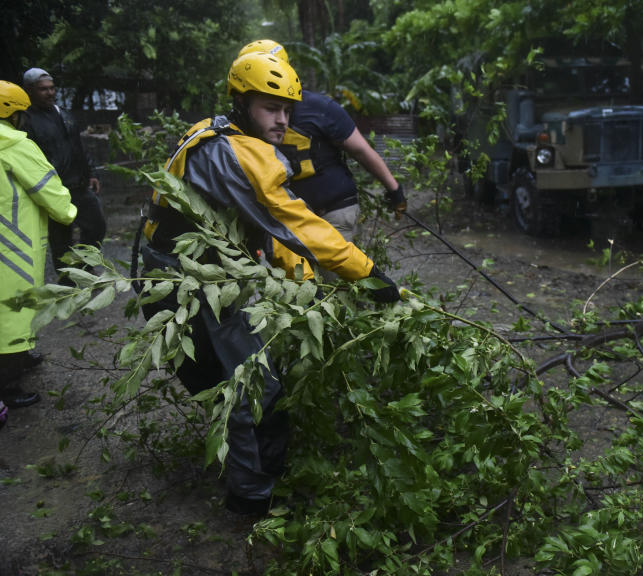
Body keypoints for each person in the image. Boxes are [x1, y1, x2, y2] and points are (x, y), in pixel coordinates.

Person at [140, 51, 401, 516]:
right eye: (270, 108)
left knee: (229, 378)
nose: (282, 120)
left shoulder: (214, 131)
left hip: (176, 270)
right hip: (192, 282)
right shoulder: (240, 154)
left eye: (287, 109)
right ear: (242, 104)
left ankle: (244, 459)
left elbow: (272, 232)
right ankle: (252, 498)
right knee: (255, 384)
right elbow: (296, 224)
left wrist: (307, 286)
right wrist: (368, 275)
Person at [237, 40, 407, 247]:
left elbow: (361, 150)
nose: (280, 117)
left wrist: (394, 190)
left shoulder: (320, 108)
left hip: (334, 210)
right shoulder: (244, 123)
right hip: (292, 217)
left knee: (333, 274)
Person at [0, 81, 78, 411]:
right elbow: (51, 191)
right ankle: (8, 386)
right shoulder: (15, 145)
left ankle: (17, 362)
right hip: (13, 245)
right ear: (13, 114)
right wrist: (70, 213)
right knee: (13, 310)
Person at [20, 67, 106, 275]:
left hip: (79, 184)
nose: (50, 93)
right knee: (61, 239)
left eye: (52, 88)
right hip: (53, 189)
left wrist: (91, 172)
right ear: (29, 91)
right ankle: (68, 282)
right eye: (43, 89)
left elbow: (78, 146)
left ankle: (84, 268)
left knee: (96, 226)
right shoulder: (26, 121)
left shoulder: (64, 114)